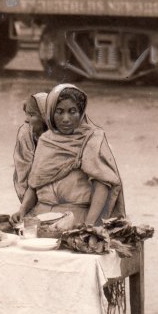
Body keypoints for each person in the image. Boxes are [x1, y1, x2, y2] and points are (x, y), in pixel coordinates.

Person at [10, 84, 125, 227]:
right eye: (59, 112)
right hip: (40, 217)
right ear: (51, 113)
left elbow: (102, 186)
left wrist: (88, 226)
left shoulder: (91, 139)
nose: (65, 118)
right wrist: (22, 210)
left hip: (76, 220)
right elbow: (34, 185)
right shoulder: (46, 141)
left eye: (72, 111)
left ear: (81, 113)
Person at [13, 91, 48, 201]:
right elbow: (23, 168)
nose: (26, 119)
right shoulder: (25, 133)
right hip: (29, 186)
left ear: (45, 116)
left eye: (32, 115)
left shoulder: (57, 132)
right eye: (26, 113)